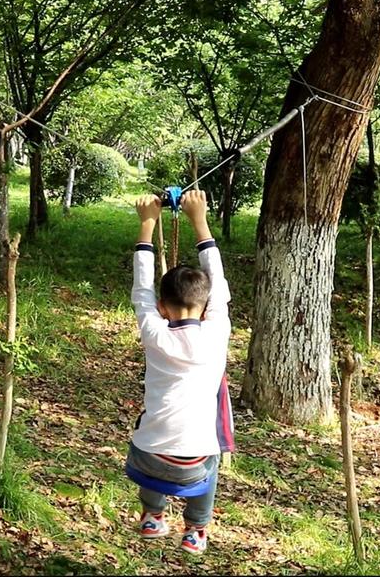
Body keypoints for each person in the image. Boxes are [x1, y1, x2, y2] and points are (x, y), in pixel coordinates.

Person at [127, 190, 232, 554]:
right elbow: (217, 285)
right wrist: (198, 219)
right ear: (205, 310)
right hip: (195, 465)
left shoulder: (154, 334)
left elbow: (141, 290)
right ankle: (196, 529)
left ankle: (153, 515)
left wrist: (147, 223)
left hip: (146, 460)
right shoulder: (217, 332)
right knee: (211, 455)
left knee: (154, 439)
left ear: (160, 308)